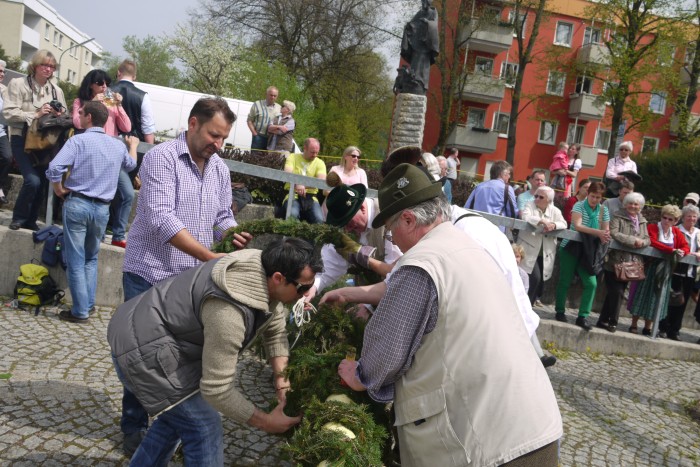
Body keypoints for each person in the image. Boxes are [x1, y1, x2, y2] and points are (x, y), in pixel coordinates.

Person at [337, 163, 562, 466]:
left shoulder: (420, 264)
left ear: (408, 219)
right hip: (536, 425)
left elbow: (386, 353)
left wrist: (360, 376)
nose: (393, 241)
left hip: (488, 448)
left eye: (391, 232)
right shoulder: (469, 245)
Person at [108, 238, 321, 465]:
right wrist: (266, 422)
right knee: (203, 426)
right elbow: (217, 390)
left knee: (177, 420)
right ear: (278, 278)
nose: (307, 293)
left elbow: (275, 329)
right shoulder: (228, 313)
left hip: (155, 334)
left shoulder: (263, 267)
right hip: (140, 349)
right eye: (303, 287)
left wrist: (282, 382)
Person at [120, 97, 252, 455]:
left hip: (188, 282)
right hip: (149, 272)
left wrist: (233, 233)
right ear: (193, 123)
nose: (218, 144)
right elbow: (163, 220)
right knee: (142, 359)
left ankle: (171, 428)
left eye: (223, 138)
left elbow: (223, 215)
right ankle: (133, 426)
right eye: (213, 135)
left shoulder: (219, 168)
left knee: (179, 362)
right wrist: (211, 256)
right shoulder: (162, 158)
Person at [46, 101, 138, 322]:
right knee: (91, 259)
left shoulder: (77, 141)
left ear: (88, 117)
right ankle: (87, 305)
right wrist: (132, 145)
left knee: (76, 260)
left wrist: (59, 189)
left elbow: (54, 168)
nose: (78, 115)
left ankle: (80, 312)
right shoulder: (116, 145)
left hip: (78, 203)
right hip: (102, 209)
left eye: (81, 113)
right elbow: (130, 165)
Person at [305, 182, 402, 318]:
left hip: (397, 303)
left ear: (362, 207)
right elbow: (327, 269)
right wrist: (312, 287)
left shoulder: (388, 217)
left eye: (349, 222)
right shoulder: (344, 230)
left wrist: (368, 305)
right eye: (343, 225)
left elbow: (396, 273)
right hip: (364, 297)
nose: (348, 230)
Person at [2, 49, 67, 231]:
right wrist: (35, 114)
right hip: (21, 138)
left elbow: (65, 115)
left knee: (44, 180)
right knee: (32, 180)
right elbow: (8, 113)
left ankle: (30, 220)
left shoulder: (56, 90)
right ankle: (19, 217)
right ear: (35, 65)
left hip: (46, 141)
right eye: (44, 65)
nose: (48, 69)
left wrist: (58, 114)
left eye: (51, 66)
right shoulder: (18, 84)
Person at [72, 69, 134, 248]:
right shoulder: (81, 101)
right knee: (99, 196)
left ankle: (118, 234)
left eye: (106, 83)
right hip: (92, 156)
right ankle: (96, 235)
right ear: (90, 84)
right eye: (100, 83)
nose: (104, 87)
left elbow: (127, 126)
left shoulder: (110, 102)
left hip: (113, 155)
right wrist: (92, 103)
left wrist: (119, 106)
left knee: (128, 193)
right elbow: (77, 122)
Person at [554, 181, 611, 331]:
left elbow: (606, 230)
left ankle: (582, 316)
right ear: (588, 194)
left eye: (598, 197)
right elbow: (577, 226)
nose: (595, 200)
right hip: (571, 247)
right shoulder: (579, 205)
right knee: (565, 280)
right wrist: (598, 232)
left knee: (591, 283)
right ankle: (560, 311)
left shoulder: (603, 210)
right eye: (593, 196)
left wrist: (604, 234)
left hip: (589, 249)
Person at [628, 204, 689, 336]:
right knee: (642, 295)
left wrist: (681, 252)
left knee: (656, 298)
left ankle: (648, 326)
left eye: (670, 219)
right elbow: (652, 242)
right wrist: (671, 250)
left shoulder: (676, 232)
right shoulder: (653, 227)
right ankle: (633, 323)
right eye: (664, 217)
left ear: (675, 221)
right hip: (650, 267)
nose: (666, 221)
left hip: (665, 271)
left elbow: (685, 246)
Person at [597, 192, 649, 333]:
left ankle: (602, 320)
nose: (633, 206)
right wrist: (633, 241)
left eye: (636, 204)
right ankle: (613, 321)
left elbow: (647, 239)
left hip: (631, 264)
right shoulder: (617, 216)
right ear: (625, 204)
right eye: (630, 203)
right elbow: (614, 233)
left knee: (614, 293)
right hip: (614, 261)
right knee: (617, 292)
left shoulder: (643, 220)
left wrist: (642, 242)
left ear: (641, 206)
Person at [517, 186, 567, 305]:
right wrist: (542, 221)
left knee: (539, 283)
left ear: (549, 201)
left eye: (541, 197)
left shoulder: (555, 211)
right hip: (528, 249)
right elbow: (526, 216)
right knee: (535, 278)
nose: (537, 198)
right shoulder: (530, 204)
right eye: (536, 196)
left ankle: (529, 306)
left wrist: (553, 225)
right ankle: (525, 305)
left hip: (544, 252)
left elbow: (563, 223)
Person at [659, 205, 700, 340]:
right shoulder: (677, 230)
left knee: (683, 303)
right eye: (689, 216)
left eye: (694, 216)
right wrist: (691, 253)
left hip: (690, 273)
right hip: (675, 270)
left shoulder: (698, 233)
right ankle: (663, 327)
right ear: (683, 217)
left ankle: (675, 330)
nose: (692, 219)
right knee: (670, 301)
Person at [464, 160, 517, 232]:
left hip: (476, 227)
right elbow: (512, 213)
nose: (509, 176)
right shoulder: (507, 188)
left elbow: (467, 207)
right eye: (508, 173)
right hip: (496, 230)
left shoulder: (479, 186)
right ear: (502, 174)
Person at [111, 59, 156, 143]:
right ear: (134, 76)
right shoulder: (143, 96)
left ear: (118, 73)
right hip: (134, 146)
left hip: (110, 142)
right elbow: (148, 128)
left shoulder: (107, 92)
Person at [399, 0, 439, 94]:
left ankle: (420, 83)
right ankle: (413, 79)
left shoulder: (433, 12)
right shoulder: (420, 13)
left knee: (422, 63)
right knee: (415, 62)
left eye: (425, 2)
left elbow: (434, 25)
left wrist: (427, 22)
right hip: (417, 43)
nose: (423, 4)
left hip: (426, 44)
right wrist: (408, 25)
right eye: (422, 2)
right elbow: (413, 22)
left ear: (428, 3)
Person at [283, 137, 326, 223]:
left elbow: (320, 181)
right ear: (305, 148)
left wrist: (302, 185)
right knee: (292, 215)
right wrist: (297, 185)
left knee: (319, 220)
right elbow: (287, 174)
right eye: (312, 152)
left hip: (311, 197)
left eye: (317, 152)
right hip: (292, 194)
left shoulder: (320, 163)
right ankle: (291, 236)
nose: (315, 155)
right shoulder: (292, 157)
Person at [247, 86, 280, 150]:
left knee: (268, 159)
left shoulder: (279, 108)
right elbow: (249, 120)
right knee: (255, 158)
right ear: (266, 94)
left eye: (275, 96)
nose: (272, 97)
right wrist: (254, 134)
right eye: (271, 95)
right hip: (258, 137)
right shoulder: (257, 104)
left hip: (272, 139)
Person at [0, 60, 11, 205]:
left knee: (7, 157)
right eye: (0, 71)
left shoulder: (4, 90)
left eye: (3, 72)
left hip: (1, 131)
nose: (2, 74)